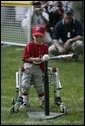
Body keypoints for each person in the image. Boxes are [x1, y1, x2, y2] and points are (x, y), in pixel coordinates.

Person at [18, 24, 48, 111]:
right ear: (33, 35)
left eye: (40, 36)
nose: (38, 38)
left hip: (38, 68)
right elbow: (26, 58)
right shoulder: (29, 45)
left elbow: (45, 58)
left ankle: (43, 102)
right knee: (25, 85)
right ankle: (25, 102)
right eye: (36, 36)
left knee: (39, 86)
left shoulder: (45, 46)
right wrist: (35, 59)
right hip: (28, 67)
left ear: (43, 36)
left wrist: (43, 60)